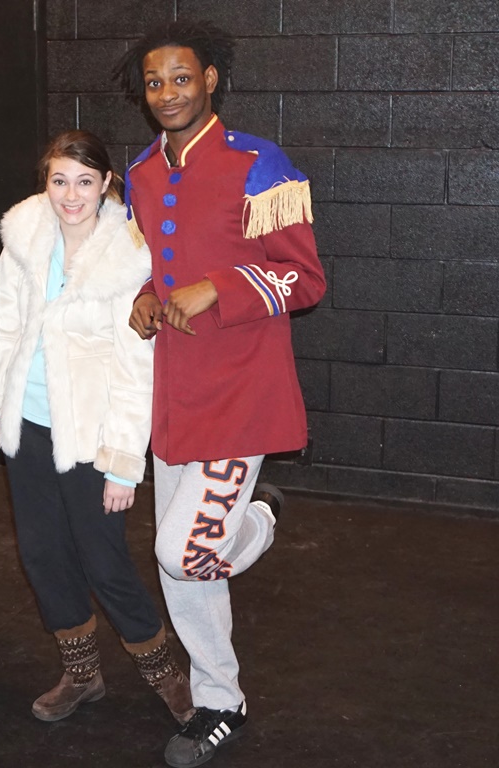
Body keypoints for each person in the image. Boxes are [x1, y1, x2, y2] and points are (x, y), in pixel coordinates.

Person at [115, 20, 326, 768]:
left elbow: (307, 278)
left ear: (209, 80)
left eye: (181, 78)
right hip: (174, 393)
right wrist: (144, 296)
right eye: (154, 82)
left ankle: (258, 519)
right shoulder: (140, 171)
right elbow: (149, 264)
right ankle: (220, 701)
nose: (167, 92)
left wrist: (221, 288)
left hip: (242, 392)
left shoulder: (259, 162)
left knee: (182, 551)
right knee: (182, 567)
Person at [0, 130, 194, 728]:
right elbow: (5, 330)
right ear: (45, 182)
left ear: (106, 185)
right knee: (43, 554)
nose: (71, 195)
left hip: (93, 439)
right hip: (29, 427)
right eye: (59, 180)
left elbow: (134, 371)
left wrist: (123, 461)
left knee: (104, 560)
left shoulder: (129, 257)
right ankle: (82, 673)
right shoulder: (24, 236)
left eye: (84, 181)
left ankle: (166, 676)